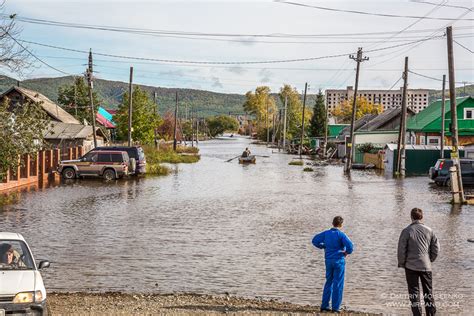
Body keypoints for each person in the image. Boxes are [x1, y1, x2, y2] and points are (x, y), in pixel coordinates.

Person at [398, 208, 439, 316]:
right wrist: (430, 260)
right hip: (426, 266)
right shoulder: (430, 230)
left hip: (411, 266)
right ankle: (431, 314)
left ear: (411, 217)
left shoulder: (406, 231)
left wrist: (402, 263)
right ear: (422, 217)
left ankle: (417, 314)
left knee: (414, 293)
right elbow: (436, 248)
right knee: (428, 292)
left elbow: (401, 249)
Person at [312, 216, 354, 313]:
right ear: (341, 224)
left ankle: (324, 306)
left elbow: (314, 240)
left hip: (328, 261)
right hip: (339, 261)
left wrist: (323, 246)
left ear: (333, 223)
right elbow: (350, 246)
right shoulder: (341, 235)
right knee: (338, 284)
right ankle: (335, 308)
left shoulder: (326, 233)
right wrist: (346, 252)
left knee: (329, 282)